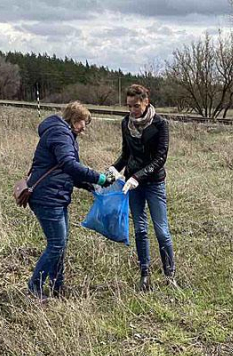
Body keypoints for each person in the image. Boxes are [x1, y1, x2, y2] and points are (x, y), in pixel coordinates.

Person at [27, 101, 112, 300]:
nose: (84, 127)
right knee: (56, 244)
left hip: (56, 195)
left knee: (61, 243)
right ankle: (34, 287)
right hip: (47, 197)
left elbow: (65, 171)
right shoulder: (60, 134)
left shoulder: (64, 134)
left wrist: (88, 186)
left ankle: (58, 286)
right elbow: (68, 164)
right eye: (83, 122)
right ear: (74, 118)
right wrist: (98, 177)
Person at [110, 84, 176, 292]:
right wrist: (115, 169)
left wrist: (138, 176)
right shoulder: (125, 124)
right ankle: (144, 274)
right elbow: (126, 153)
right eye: (129, 106)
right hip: (133, 185)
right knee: (140, 229)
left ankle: (169, 275)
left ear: (146, 102)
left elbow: (160, 157)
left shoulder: (160, 124)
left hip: (154, 183)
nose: (132, 111)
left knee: (161, 231)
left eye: (136, 106)